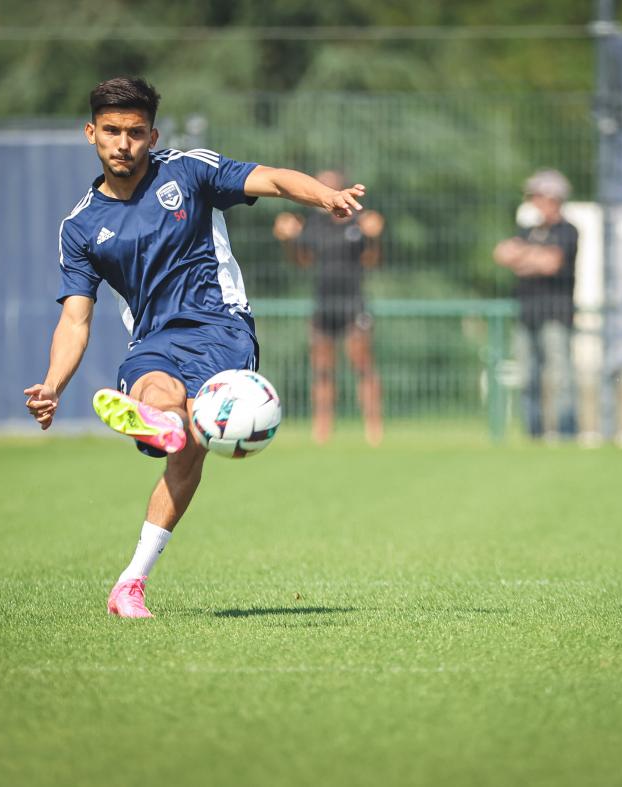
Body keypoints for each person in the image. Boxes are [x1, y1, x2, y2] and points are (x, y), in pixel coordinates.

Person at [23, 77, 368, 618]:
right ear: (91, 133)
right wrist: (52, 384)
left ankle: (158, 466)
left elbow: (271, 178)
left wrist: (323, 196)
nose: (123, 143)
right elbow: (75, 320)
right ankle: (133, 565)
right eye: (111, 131)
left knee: (185, 438)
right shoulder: (82, 226)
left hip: (222, 328)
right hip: (153, 339)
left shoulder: (188, 170)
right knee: (165, 405)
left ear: (152, 135)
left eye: (135, 133)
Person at [272, 170, 384, 445]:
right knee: (322, 369)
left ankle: (374, 429)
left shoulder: (359, 221)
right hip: (323, 306)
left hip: (353, 304)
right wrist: (288, 240)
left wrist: (374, 237)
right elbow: (302, 261)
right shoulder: (313, 226)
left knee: (362, 366)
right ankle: (322, 429)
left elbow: (372, 260)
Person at [493, 169, 579, 439]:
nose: (531, 202)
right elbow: (502, 254)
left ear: (553, 199)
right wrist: (534, 257)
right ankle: (534, 435)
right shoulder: (526, 230)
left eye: (537, 196)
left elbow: (551, 263)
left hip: (555, 314)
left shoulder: (568, 231)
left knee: (560, 377)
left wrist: (525, 257)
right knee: (527, 379)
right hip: (526, 313)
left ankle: (566, 434)